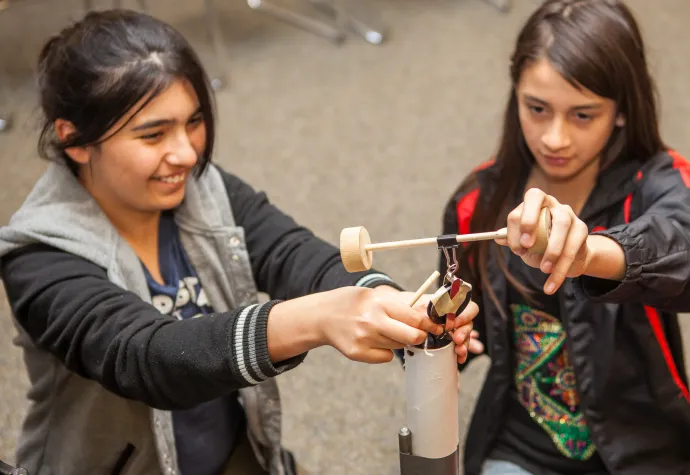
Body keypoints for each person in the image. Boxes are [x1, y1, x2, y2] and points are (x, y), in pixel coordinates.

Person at [0, 10, 478, 475]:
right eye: (153, 134)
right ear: (75, 140)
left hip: (232, 448)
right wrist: (318, 318)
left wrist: (392, 306)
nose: (187, 154)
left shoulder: (204, 189)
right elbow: (148, 359)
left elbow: (296, 257)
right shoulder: (37, 256)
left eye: (193, 122)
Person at [439, 1, 690, 474]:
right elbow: (458, 325)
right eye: (536, 109)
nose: (555, 138)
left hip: (641, 448)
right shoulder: (478, 201)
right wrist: (435, 340)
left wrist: (591, 253)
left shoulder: (657, 181)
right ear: (515, 94)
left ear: (622, 111)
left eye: (583, 115)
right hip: (520, 447)